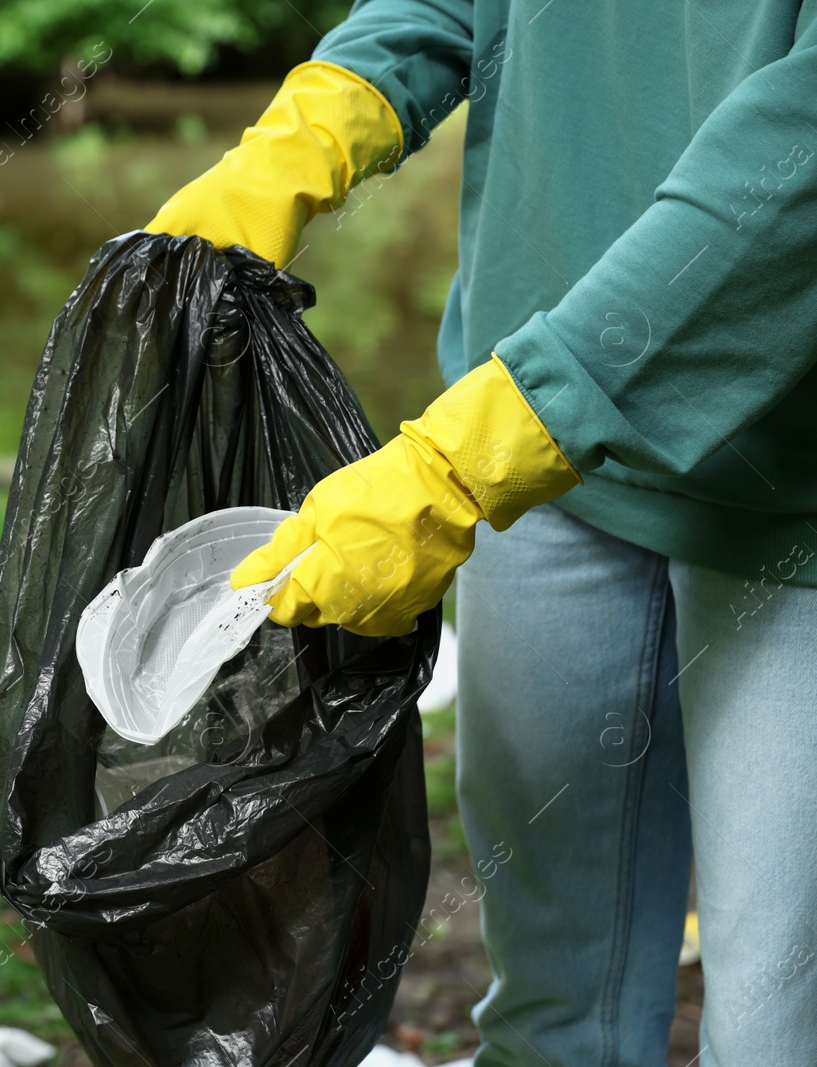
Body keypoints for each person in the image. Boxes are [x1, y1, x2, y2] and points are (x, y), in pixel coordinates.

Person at [145, 3, 817, 1065]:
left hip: (788, 498)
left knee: (781, 1029)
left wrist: (468, 458)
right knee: (549, 1012)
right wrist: (306, 137)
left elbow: (797, 157)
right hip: (535, 454)